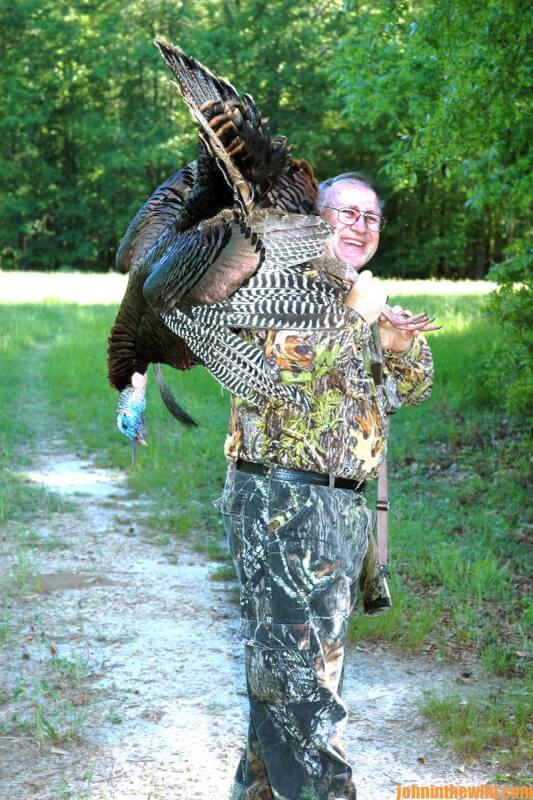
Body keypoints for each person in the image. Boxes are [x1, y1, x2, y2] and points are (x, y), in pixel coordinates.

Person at [219, 172, 434, 800]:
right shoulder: (275, 283)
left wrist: (396, 346)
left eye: (371, 216)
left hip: (340, 510)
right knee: (301, 691)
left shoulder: (362, 295)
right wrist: (354, 320)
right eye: (345, 211)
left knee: (297, 679)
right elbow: (274, 367)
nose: (360, 225)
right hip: (280, 505)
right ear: (315, 220)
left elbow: (407, 390)